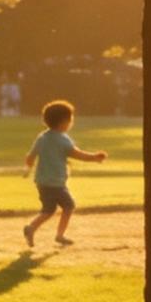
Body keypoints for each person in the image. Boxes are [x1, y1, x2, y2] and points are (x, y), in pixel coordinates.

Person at [22, 98, 107, 248]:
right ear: (64, 122)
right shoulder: (62, 139)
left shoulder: (42, 137)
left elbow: (30, 157)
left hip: (42, 182)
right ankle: (57, 235)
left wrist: (28, 167)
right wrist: (95, 157)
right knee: (68, 206)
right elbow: (77, 154)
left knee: (48, 209)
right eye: (70, 119)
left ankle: (32, 228)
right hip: (56, 183)